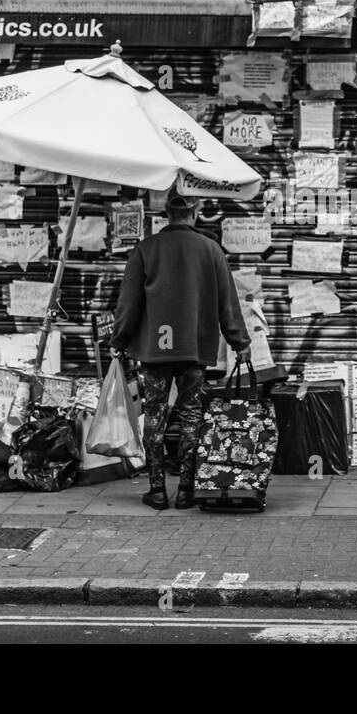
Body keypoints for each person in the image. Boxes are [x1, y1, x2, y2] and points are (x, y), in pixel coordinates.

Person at [110, 191, 251, 511]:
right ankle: (187, 489)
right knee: (191, 416)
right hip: (194, 347)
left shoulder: (145, 249)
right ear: (196, 211)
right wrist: (240, 343)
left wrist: (118, 341)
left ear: (165, 214)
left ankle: (157, 490)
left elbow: (128, 304)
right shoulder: (211, 250)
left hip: (154, 352)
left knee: (155, 416)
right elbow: (228, 302)